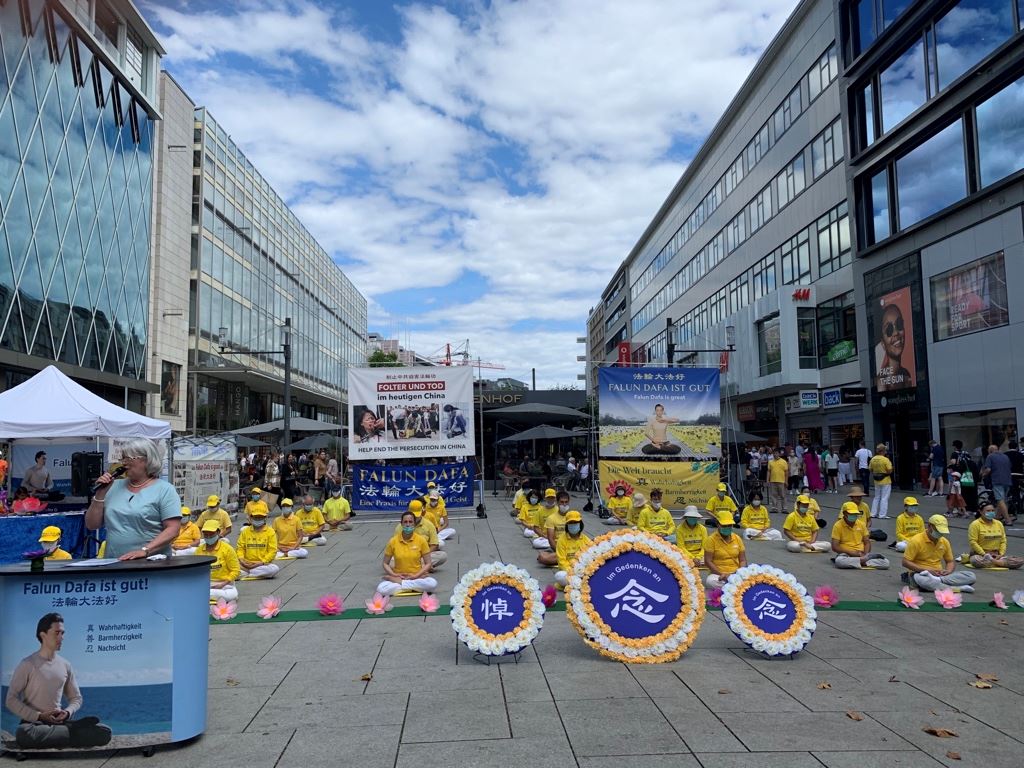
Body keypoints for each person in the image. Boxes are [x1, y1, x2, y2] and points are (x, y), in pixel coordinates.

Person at [5, 613, 111, 748]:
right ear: (43, 635)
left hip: (59, 722)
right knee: (23, 733)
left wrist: (67, 712)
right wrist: (39, 716)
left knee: (105, 732)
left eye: (63, 633)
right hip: (34, 724)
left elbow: (76, 698)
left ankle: (62, 734)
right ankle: (71, 732)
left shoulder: (65, 665)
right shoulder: (27, 664)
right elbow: (11, 699)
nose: (62, 637)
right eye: (57, 633)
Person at [85, 439, 181, 560]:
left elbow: (173, 529)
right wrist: (100, 494)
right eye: (123, 458)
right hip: (114, 561)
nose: (124, 463)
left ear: (147, 460)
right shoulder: (113, 486)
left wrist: (145, 550)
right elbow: (91, 525)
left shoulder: (165, 490)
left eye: (129, 458)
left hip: (152, 562)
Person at [902, 514, 976, 592]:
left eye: (942, 531)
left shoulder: (944, 541)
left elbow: (950, 561)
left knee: (971, 576)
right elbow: (905, 562)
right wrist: (926, 570)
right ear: (929, 526)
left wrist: (948, 571)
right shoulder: (916, 540)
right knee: (920, 579)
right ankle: (958, 588)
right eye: (937, 530)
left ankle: (938, 581)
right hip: (921, 573)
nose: (940, 533)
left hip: (939, 575)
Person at [377, 511, 438, 596]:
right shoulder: (393, 541)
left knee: (432, 583)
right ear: (401, 524)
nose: (408, 525)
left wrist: (416, 575)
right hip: (398, 576)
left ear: (414, 524)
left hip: (416, 577)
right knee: (381, 589)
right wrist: (393, 574)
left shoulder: (421, 540)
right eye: (405, 522)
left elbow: (428, 563)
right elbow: (385, 563)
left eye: (410, 522)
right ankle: (412, 587)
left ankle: (403, 585)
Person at [830, 502, 890, 569]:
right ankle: (863, 562)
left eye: (855, 514)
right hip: (846, 554)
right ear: (844, 513)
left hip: (862, 554)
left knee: (886, 562)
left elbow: (867, 542)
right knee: (839, 561)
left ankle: (860, 561)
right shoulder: (838, 525)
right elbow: (835, 547)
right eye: (851, 514)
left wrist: (865, 555)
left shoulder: (861, 524)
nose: (854, 516)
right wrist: (851, 552)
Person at [967, 502, 1024, 569]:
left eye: (993, 511)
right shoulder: (975, 524)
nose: (991, 512)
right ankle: (999, 563)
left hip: (997, 555)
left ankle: (994, 562)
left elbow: (1003, 541)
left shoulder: (998, 523)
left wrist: (1001, 554)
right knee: (976, 561)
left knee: (1019, 561)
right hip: (981, 555)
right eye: (988, 511)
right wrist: (984, 554)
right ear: (980, 512)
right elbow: (973, 542)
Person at [196, 520, 240, 600]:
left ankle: (207, 596)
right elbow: (196, 571)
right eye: (206, 534)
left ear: (218, 532)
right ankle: (210, 595)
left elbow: (236, 570)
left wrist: (223, 583)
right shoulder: (199, 550)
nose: (208, 537)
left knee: (231, 595)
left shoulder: (227, 549)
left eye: (211, 534)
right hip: (206, 584)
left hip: (225, 584)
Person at [395, 503, 447, 569]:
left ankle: (412, 567)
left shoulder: (429, 525)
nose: (415, 517)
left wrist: (422, 555)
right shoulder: (400, 527)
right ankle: (423, 567)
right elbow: (396, 546)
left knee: (442, 556)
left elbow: (434, 545)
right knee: (391, 560)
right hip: (405, 555)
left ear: (423, 512)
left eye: (417, 515)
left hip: (423, 555)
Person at [703, 511, 747, 589]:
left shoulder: (737, 538)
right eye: (724, 525)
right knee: (710, 581)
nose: (727, 527)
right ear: (717, 524)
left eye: (729, 525)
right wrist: (722, 574)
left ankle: (732, 587)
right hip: (719, 574)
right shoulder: (711, 540)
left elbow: (743, 560)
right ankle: (736, 587)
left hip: (736, 573)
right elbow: (708, 561)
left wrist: (739, 572)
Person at [235, 506, 281, 579]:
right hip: (245, 563)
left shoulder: (270, 532)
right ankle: (253, 573)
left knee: (274, 569)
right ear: (251, 518)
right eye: (256, 517)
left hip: (262, 564)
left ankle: (247, 572)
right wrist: (241, 560)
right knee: (228, 568)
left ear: (265, 518)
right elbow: (240, 548)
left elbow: (272, 551)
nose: (258, 519)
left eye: (260, 517)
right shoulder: (245, 531)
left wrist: (261, 562)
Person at [876, 303, 913, 391]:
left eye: (899, 324)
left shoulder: (906, 374)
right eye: (889, 330)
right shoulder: (881, 380)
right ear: (883, 344)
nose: (896, 333)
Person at [554, 511, 591, 588]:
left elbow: (591, 558)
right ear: (567, 525)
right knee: (560, 576)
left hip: (583, 570)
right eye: (571, 523)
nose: (573, 525)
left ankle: (576, 584)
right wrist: (573, 571)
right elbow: (561, 561)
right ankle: (578, 584)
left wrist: (582, 570)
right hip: (569, 571)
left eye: (575, 522)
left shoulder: (586, 539)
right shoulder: (561, 540)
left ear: (580, 524)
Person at [981, 444, 1014, 524]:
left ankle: (1008, 520)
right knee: (1003, 499)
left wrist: (983, 474)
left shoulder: (990, 456)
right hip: (1007, 480)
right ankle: (997, 517)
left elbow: (988, 469)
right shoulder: (1005, 456)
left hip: (997, 480)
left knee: (1000, 499)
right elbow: (1010, 466)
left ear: (990, 451)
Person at [539, 490, 573, 566]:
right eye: (562, 502)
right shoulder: (551, 518)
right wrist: (559, 551)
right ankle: (568, 559)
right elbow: (550, 539)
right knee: (542, 557)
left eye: (566, 502)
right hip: (557, 547)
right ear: (557, 502)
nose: (564, 504)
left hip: (572, 546)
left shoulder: (573, 516)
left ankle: (565, 558)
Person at [868, 444, 893, 519]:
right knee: (884, 498)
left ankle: (873, 513)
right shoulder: (885, 459)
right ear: (883, 451)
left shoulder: (873, 459)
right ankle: (882, 514)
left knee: (876, 497)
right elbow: (889, 470)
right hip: (885, 480)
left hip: (876, 480)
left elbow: (870, 469)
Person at [767, 449, 788, 514]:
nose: (775, 454)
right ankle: (774, 508)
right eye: (774, 453)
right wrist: (767, 480)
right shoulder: (770, 462)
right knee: (773, 495)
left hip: (782, 481)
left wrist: (786, 481)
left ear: (779, 454)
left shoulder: (784, 462)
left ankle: (784, 508)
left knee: (783, 495)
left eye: (776, 453)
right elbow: (768, 471)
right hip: (773, 481)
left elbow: (786, 472)